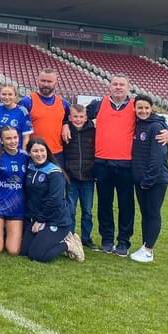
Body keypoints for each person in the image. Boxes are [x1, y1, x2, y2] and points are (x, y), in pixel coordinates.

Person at [73, 74, 168, 256]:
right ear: (110, 86)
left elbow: (156, 119)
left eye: (121, 85)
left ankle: (124, 242)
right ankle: (107, 240)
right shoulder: (98, 105)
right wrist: (64, 124)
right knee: (104, 204)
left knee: (126, 205)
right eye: (115, 84)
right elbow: (78, 116)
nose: (118, 87)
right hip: (102, 163)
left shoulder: (135, 106)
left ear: (128, 87)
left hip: (126, 165)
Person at [21, 138, 84, 263]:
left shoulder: (54, 172)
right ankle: (54, 239)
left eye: (42, 150)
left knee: (37, 255)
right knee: (24, 252)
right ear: (29, 153)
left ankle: (69, 244)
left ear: (47, 152)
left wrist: (40, 220)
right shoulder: (30, 168)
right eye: (35, 151)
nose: (39, 154)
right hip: (38, 218)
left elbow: (55, 200)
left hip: (56, 220)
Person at [130, 95, 168, 263]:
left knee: (153, 213)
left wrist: (148, 180)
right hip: (141, 180)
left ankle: (148, 250)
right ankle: (144, 246)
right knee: (145, 214)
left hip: (155, 180)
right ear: (134, 108)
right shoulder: (137, 124)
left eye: (146, 108)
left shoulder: (156, 126)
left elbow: (158, 157)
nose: (143, 111)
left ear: (151, 108)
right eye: (140, 108)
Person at [0, 127, 27, 255]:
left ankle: (4, 233)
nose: (12, 141)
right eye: (8, 138)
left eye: (15, 137)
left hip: (17, 208)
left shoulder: (25, 156)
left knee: (13, 250)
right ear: (1, 140)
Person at [19, 69, 69, 163]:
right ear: (37, 81)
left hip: (57, 154)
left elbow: (67, 119)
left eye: (49, 81)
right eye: (43, 81)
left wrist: (66, 124)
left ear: (56, 83)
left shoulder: (63, 103)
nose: (46, 84)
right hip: (34, 154)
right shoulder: (27, 101)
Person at [64, 103, 96, 248]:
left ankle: (86, 238)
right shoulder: (65, 130)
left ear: (86, 117)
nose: (78, 119)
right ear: (70, 117)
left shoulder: (93, 130)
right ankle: (70, 237)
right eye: (75, 116)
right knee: (70, 210)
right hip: (72, 178)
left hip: (88, 177)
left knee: (87, 211)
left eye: (81, 117)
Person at [0, 84, 32, 153]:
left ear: (15, 96)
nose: (7, 97)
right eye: (4, 94)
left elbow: (26, 137)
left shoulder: (22, 111)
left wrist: (24, 154)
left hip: (14, 153)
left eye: (10, 94)